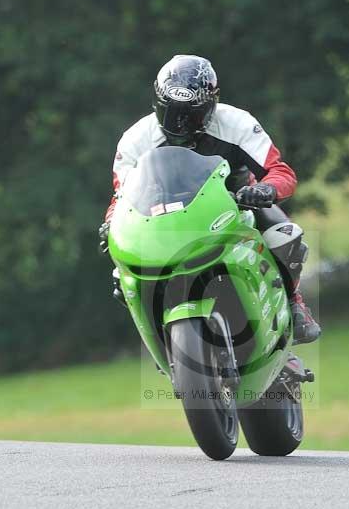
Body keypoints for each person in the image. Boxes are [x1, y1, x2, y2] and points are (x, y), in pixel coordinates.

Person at [100, 54, 320, 344]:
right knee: (122, 273)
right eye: (171, 112)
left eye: (189, 114)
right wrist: (111, 222)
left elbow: (280, 172)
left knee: (285, 236)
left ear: (211, 104)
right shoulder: (135, 140)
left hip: (236, 205)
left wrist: (266, 190)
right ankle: (156, 334)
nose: (179, 124)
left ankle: (293, 302)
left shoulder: (237, 123)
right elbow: (121, 196)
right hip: (163, 219)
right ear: (157, 102)